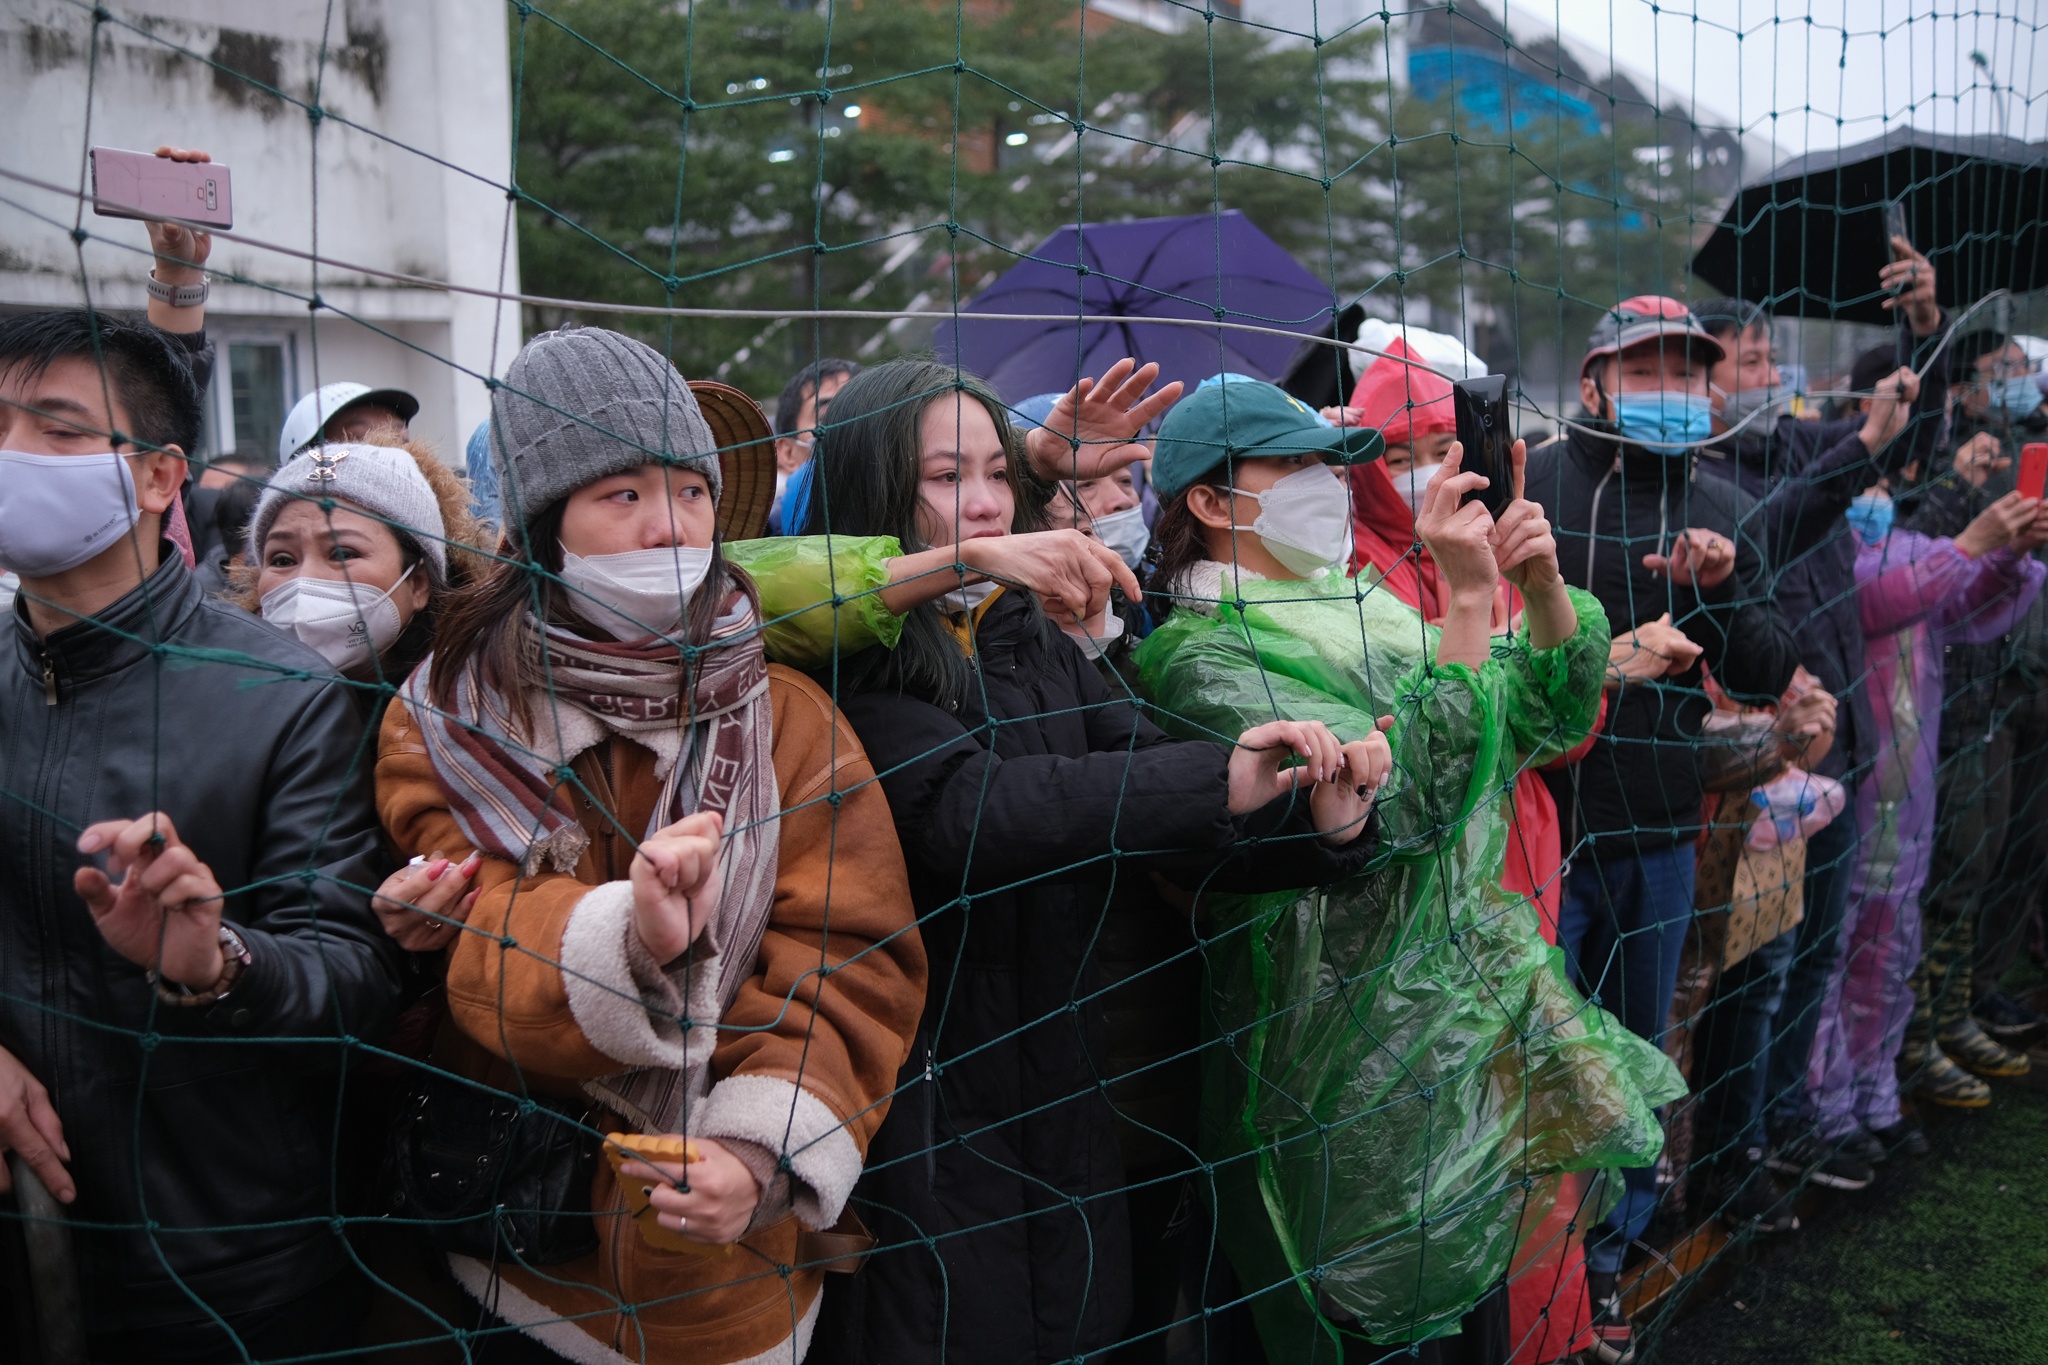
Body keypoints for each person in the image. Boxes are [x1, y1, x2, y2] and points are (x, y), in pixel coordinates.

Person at [795, 358, 1387, 1365]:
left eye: (994, 472)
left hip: (1068, 1094)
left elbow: (1141, 781)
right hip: (920, 1110)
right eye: (944, 477)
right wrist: (1216, 781)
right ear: (870, 492)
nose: (982, 502)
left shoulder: (1021, 633)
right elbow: (967, 814)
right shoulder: (841, 666)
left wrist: (1318, 820)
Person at [375, 324, 927, 1363]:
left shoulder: (791, 717)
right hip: (522, 1245)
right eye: (620, 495)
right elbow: (475, 925)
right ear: (549, 524)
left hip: (729, 1272)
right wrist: (623, 937)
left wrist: (758, 1150)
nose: (665, 527)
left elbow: (852, 960)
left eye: (686, 491)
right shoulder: (449, 712)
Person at [1132, 377, 1681, 1364]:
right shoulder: (1200, 659)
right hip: (1331, 1057)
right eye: (1293, 466)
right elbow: (1407, 807)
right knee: (1363, 1308)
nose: (1325, 488)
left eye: (1331, 465)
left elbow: (1535, 714)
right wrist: (1469, 599)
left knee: (1465, 1301)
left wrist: (1539, 589)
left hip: (1453, 1018)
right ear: (1212, 503)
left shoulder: (1356, 605)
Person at [0, 309, 403, 1358]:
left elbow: (354, 978)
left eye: (56, 427)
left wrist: (218, 966)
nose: (13, 455)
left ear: (158, 476)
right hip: (22, 1251)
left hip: (227, 1269)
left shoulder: (284, 696)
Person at [1526, 297, 1801, 1297]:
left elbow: (1768, 669)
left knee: (1637, 1054)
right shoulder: (1538, 477)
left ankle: (1608, 1254)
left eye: (1685, 375)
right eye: (1643, 373)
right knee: (1540, 1057)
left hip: (1655, 833)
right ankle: (1534, 1267)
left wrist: (1720, 589)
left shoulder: (1724, 502)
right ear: (1594, 378)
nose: (1669, 394)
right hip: (1537, 828)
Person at [1682, 269, 1944, 1202]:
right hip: (1760, 761)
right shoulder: (1703, 484)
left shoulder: (1794, 443)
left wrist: (1921, 330)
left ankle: (1786, 1120)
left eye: (1766, 355)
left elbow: (1897, 428)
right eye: (1743, 360)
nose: (1764, 372)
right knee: (1754, 966)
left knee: (1815, 949)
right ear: (1697, 380)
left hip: (1842, 742)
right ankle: (1726, 1149)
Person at [1807, 484, 2045, 1142]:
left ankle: (1873, 1091)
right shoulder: (1820, 550)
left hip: (1904, 802)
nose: (1878, 488)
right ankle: (1822, 1110)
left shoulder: (1912, 547)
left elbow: (1972, 604)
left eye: (1887, 473)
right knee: (1831, 955)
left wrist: (2007, 557)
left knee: (1886, 953)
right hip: (1841, 792)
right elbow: (1878, 597)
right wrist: (1970, 543)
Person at [1893, 327, 2048, 1088]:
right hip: (1945, 703)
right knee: (1944, 868)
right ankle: (1916, 1031)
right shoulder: (1940, 468)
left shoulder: (2020, 456)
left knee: (1981, 862)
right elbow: (1917, 561)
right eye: (2002, 371)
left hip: (2000, 696)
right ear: (1960, 391)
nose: (2020, 382)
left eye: (2024, 369)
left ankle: (1954, 1008)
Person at [233, 438, 488, 704]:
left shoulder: (483, 708)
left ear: (417, 584)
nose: (303, 580)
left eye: (344, 554)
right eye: (283, 560)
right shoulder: (229, 697)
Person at [768, 358, 860, 534]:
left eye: (862, 414)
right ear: (788, 452)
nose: (853, 430)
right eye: (827, 418)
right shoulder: (759, 542)